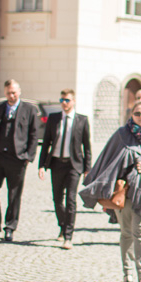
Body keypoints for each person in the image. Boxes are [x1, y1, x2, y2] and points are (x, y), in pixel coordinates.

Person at [79, 101, 141, 282]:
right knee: (127, 233)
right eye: (138, 114)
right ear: (132, 115)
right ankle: (127, 272)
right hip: (125, 194)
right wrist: (103, 189)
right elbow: (107, 160)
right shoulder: (122, 135)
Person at [0, 79, 39, 242]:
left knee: (14, 194)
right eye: (8, 93)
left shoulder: (29, 109)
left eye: (14, 92)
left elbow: (34, 135)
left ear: (19, 91)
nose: (11, 96)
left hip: (17, 158)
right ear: (5, 93)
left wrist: (28, 157)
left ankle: (10, 227)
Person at [37, 89, 92, 249]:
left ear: (73, 101)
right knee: (57, 199)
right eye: (62, 100)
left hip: (74, 165)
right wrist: (41, 165)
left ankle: (69, 235)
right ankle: (62, 225)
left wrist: (87, 168)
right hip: (56, 163)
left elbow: (87, 147)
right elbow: (46, 143)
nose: (64, 103)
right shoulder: (54, 119)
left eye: (67, 100)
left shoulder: (82, 120)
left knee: (71, 200)